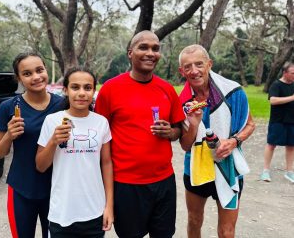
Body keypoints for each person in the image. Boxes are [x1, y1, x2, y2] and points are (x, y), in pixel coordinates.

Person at [95, 30, 185, 238]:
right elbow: (100, 137)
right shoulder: (110, 89)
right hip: (126, 184)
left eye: (155, 48)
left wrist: (170, 131)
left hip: (164, 181)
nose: (150, 53)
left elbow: (178, 131)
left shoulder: (167, 89)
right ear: (130, 53)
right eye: (143, 47)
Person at [178, 44, 255, 238]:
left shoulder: (233, 91)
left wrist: (234, 141)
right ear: (182, 71)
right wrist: (194, 124)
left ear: (209, 64)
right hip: (196, 167)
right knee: (194, 221)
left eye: (199, 64)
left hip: (228, 166)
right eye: (188, 67)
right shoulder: (182, 101)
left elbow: (250, 124)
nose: (194, 71)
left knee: (227, 231)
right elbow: (186, 146)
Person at [0, 52, 66, 238]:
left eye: (39, 70)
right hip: (22, 188)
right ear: (19, 78)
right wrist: (9, 135)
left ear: (46, 70)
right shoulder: (9, 108)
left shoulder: (63, 105)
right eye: (27, 73)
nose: (36, 77)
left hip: (56, 189)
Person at [36, 66, 114, 237]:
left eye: (87, 88)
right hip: (62, 212)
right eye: (75, 87)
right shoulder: (52, 121)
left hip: (95, 210)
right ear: (65, 90)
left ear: (94, 91)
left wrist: (109, 206)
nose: (81, 93)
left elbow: (107, 163)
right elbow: (41, 166)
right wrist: (53, 142)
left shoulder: (101, 123)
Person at [260, 62, 294, 183]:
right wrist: (291, 97)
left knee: (291, 146)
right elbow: (273, 101)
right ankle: (265, 171)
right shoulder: (276, 85)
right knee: (271, 144)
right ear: (285, 73)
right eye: (292, 73)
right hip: (278, 121)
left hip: (292, 120)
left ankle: (290, 172)